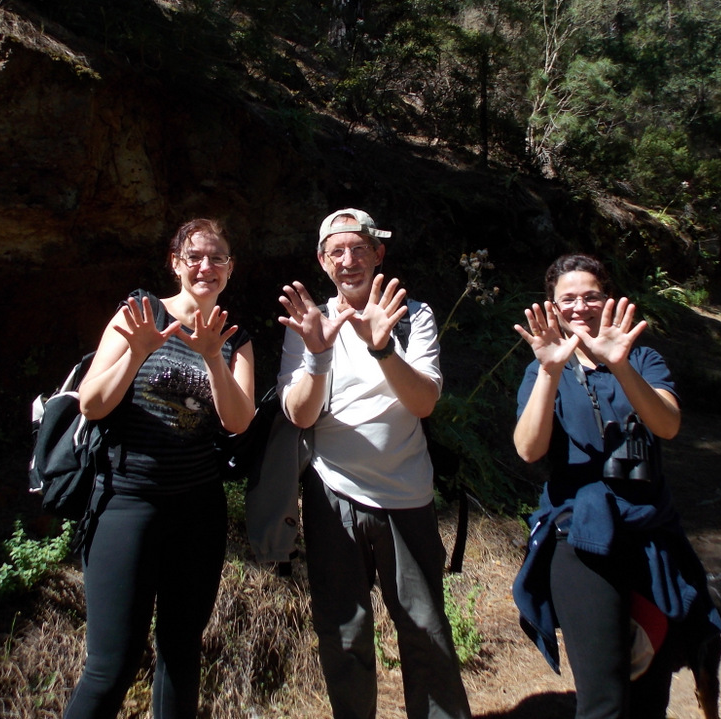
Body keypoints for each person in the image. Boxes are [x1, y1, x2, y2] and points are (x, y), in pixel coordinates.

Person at [276, 209, 472, 719]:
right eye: (336, 251)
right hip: (329, 493)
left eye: (359, 248)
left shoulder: (413, 314)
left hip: (407, 495)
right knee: (343, 633)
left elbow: (424, 401)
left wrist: (382, 347)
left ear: (378, 254)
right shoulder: (307, 324)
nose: (349, 260)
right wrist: (317, 355)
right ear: (322, 261)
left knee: (426, 631)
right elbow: (300, 414)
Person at [511, 253, 721, 719]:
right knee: (604, 699)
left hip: (651, 538)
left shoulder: (642, 357)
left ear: (608, 299)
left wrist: (620, 364)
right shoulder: (542, 371)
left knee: (651, 697)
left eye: (592, 296)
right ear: (552, 306)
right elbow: (529, 449)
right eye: (568, 299)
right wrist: (548, 370)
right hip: (580, 542)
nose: (580, 307)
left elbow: (667, 425)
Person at [64, 218, 255, 719]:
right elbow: (91, 404)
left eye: (217, 258)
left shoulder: (235, 336)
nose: (205, 267)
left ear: (230, 269)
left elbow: (238, 422)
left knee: (181, 654)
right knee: (111, 665)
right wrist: (138, 353)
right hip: (127, 503)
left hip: (197, 511)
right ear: (175, 263)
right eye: (194, 257)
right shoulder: (140, 313)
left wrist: (215, 357)